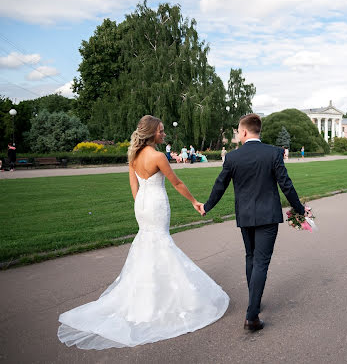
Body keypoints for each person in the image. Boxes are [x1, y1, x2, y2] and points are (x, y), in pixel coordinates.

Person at [57, 115, 228, 350]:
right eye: (161, 131)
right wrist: (194, 202)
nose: (164, 134)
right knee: (161, 243)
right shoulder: (158, 157)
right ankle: (166, 298)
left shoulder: (133, 155)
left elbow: (133, 184)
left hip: (143, 205)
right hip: (157, 203)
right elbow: (176, 183)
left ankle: (148, 293)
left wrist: (140, 204)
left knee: (148, 244)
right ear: (151, 133)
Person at [201, 113, 309, 332]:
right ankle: (252, 315)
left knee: (251, 257)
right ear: (258, 130)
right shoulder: (273, 153)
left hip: (246, 216)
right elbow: (285, 185)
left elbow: (220, 185)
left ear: (243, 131)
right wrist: (300, 209)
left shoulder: (232, 157)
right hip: (267, 216)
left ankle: (254, 303)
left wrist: (207, 206)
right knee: (261, 261)